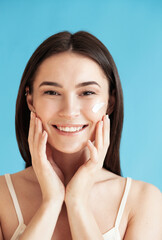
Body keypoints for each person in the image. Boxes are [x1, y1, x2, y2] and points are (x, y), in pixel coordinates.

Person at [0, 31, 161, 240]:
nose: (69, 110)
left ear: (110, 101)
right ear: (30, 100)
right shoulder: (3, 196)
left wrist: (77, 202)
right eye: (52, 92)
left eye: (87, 93)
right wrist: (51, 202)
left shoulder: (143, 201)